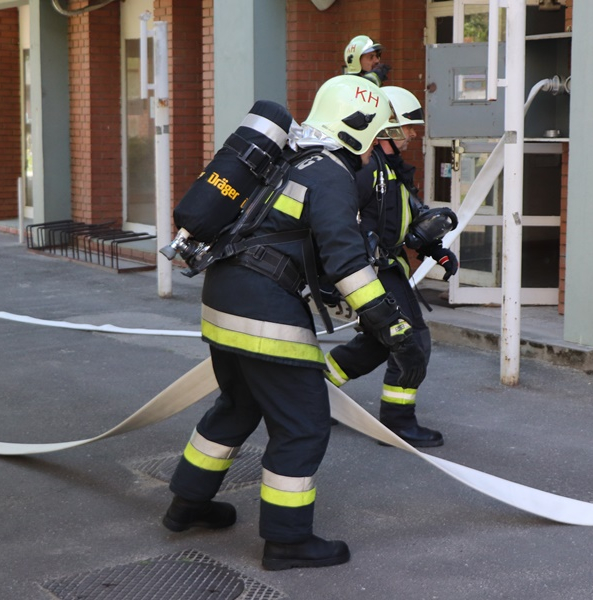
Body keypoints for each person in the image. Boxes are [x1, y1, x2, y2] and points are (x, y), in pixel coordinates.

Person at [162, 76, 428, 571]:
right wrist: (393, 328)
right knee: (303, 426)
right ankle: (287, 540)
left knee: (237, 406)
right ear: (357, 132)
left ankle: (187, 505)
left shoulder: (291, 159)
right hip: (263, 305)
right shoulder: (331, 172)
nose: (375, 153)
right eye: (374, 141)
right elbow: (346, 261)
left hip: (223, 296)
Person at [324, 86, 458, 448]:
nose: (413, 134)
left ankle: (314, 395)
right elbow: (340, 221)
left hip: (388, 267)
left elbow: (407, 215)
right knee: (411, 340)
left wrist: (434, 248)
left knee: (379, 341)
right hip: (373, 271)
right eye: (408, 127)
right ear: (387, 129)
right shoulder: (366, 170)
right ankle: (398, 422)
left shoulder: (392, 170)